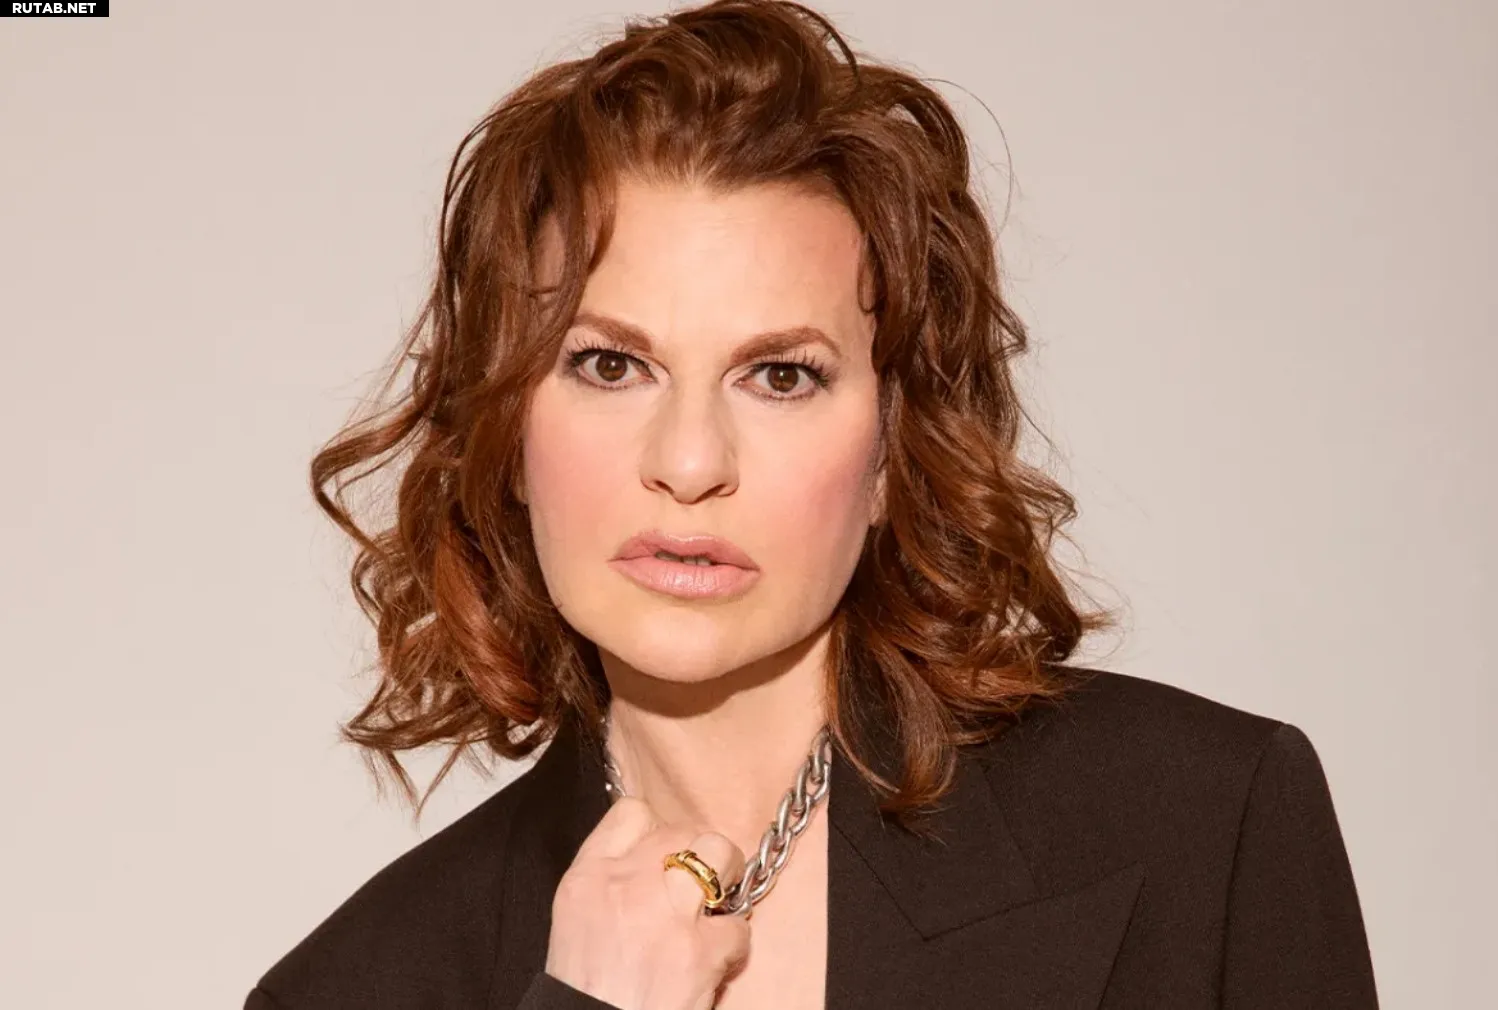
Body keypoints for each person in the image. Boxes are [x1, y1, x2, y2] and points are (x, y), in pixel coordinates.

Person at [243, 2, 1379, 1007]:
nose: (691, 461)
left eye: (780, 375)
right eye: (609, 365)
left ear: (891, 451)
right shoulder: (355, 988)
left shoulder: (1200, 825)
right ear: (506, 430)